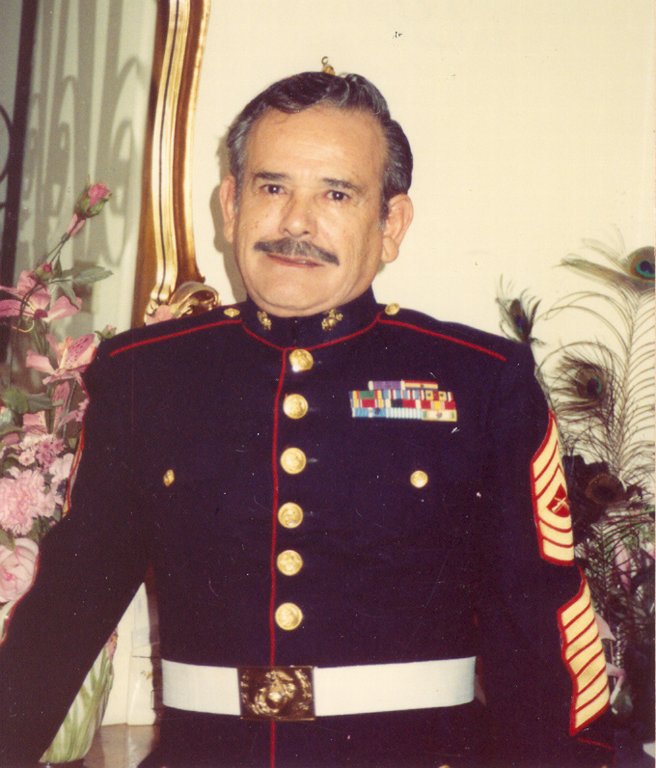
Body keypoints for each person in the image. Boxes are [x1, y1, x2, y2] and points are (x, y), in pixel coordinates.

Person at [0, 71, 613, 768]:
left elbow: (537, 622)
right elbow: (69, 603)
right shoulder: (145, 374)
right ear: (230, 205)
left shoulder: (478, 380)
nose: (295, 222)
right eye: (271, 188)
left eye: (336, 194)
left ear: (391, 225)